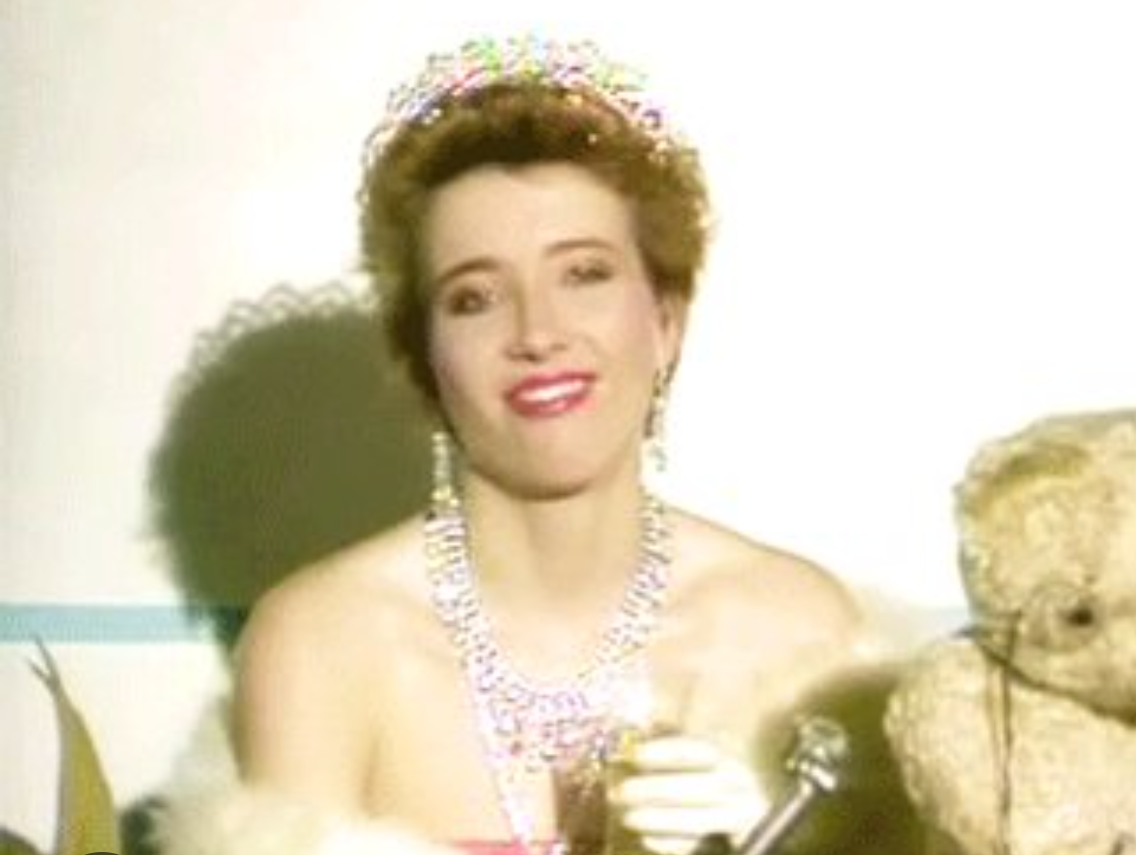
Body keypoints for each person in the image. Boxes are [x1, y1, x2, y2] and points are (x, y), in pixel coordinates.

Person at [153, 35, 864, 855]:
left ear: (665, 321)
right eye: (475, 297)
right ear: (421, 358)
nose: (538, 332)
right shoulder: (324, 640)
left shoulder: (793, 625)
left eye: (584, 274)